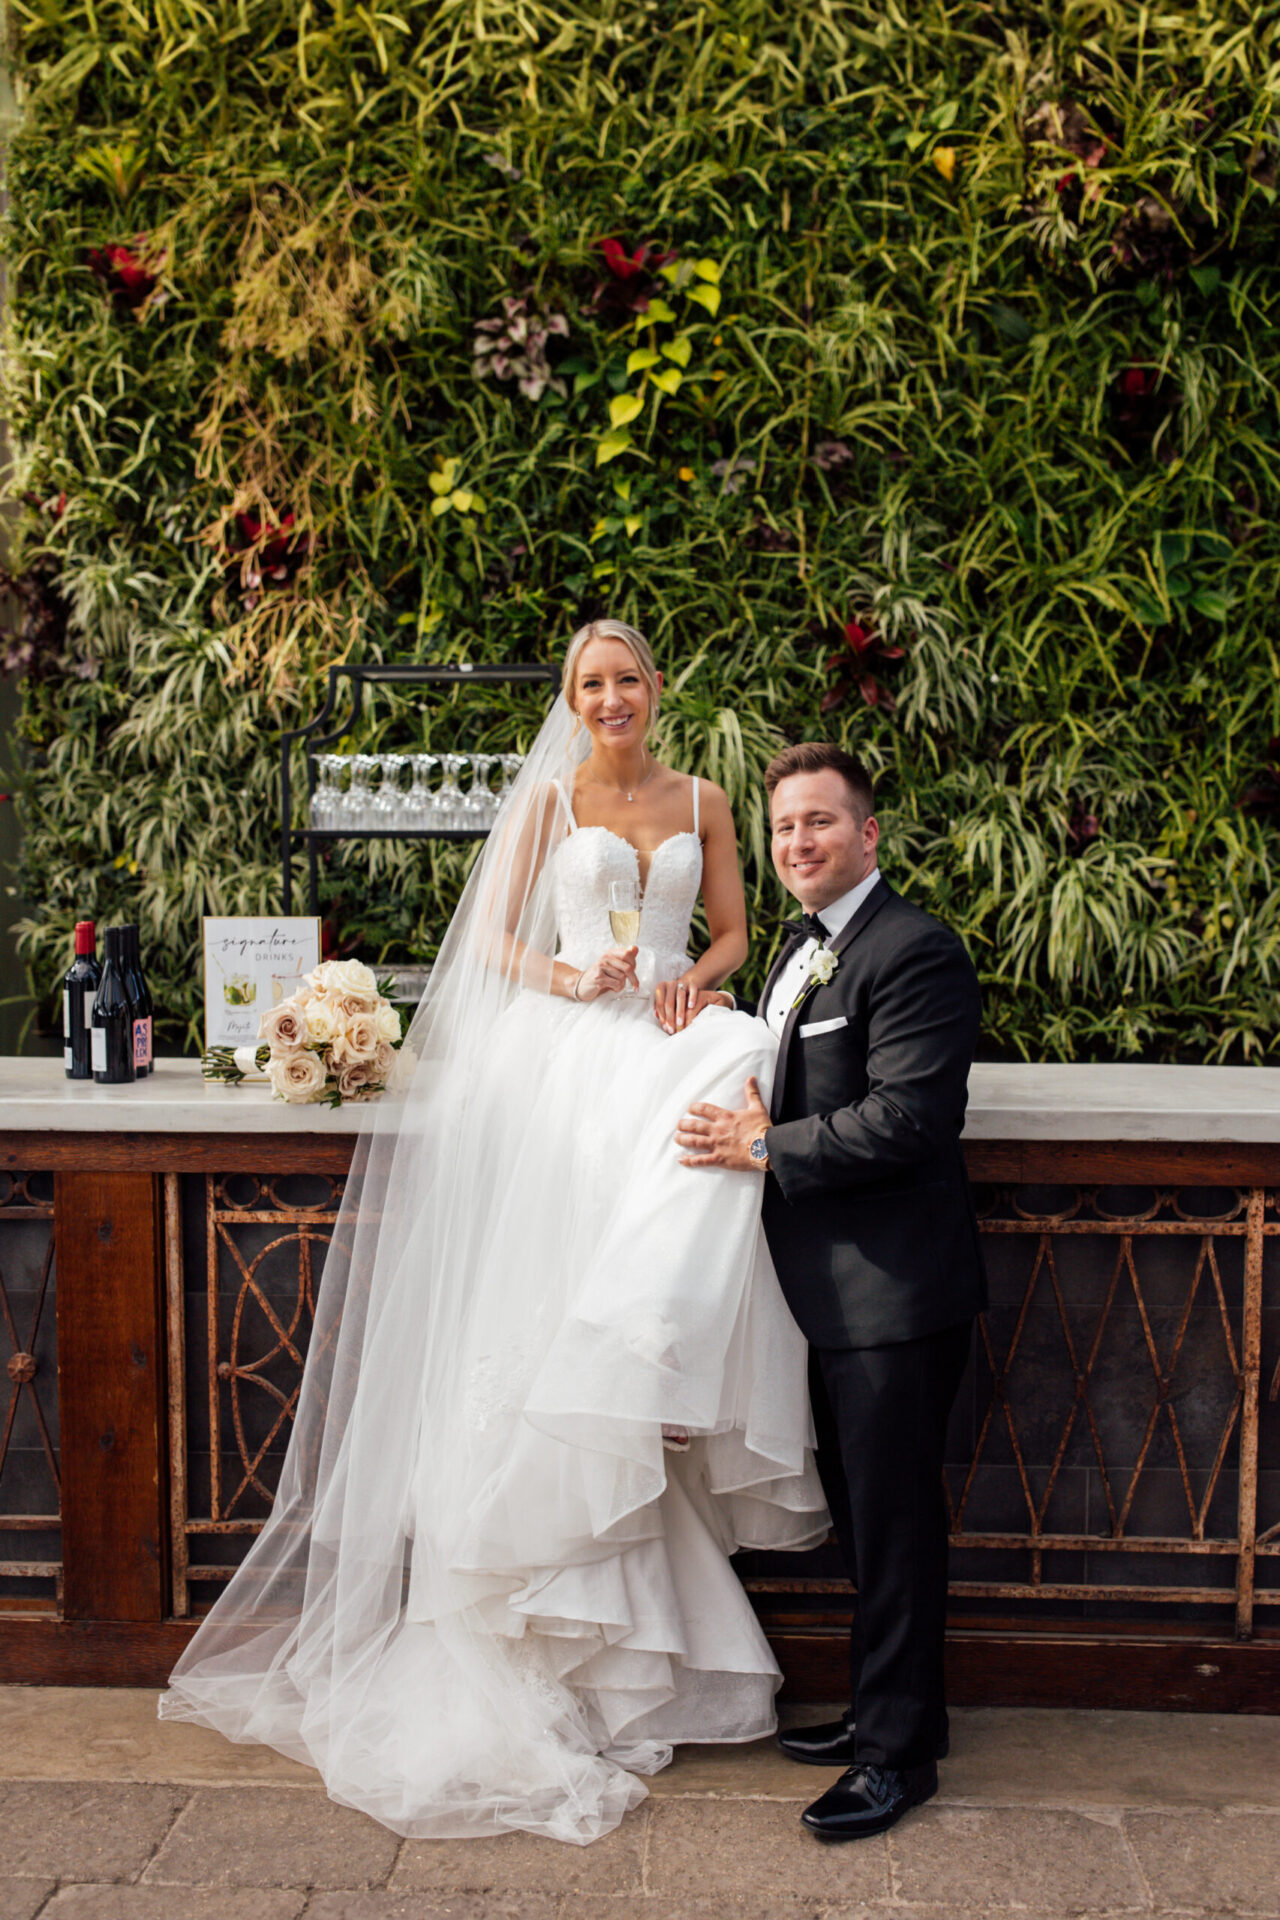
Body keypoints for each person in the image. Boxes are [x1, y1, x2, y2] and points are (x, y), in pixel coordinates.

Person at [160, 620, 827, 1845]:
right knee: (535, 1329)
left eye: (627, 677)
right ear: (572, 703)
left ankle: (664, 1382)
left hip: (665, 1038)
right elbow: (493, 942)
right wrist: (572, 978)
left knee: (731, 1088)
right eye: (591, 684)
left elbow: (731, 929)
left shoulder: (707, 797)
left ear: (655, 688)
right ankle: (540, 1628)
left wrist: (694, 976)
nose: (612, 696)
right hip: (562, 1068)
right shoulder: (550, 804)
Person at [675, 741, 987, 1842]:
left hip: (893, 1297)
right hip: (821, 1297)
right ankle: (881, 1716)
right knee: (866, 1523)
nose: (797, 843)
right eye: (782, 830)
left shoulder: (912, 952)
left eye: (818, 822)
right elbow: (780, 1072)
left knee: (896, 1531)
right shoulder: (797, 952)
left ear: (866, 833)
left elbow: (910, 1118)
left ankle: (897, 1760)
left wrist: (763, 1145)